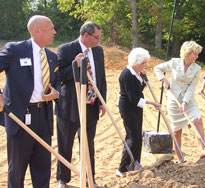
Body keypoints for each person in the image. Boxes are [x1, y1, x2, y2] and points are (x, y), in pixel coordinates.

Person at [0, 15, 59, 188]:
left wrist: (57, 93)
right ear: (37, 30)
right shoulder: (15, 50)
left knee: (42, 167)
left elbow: (57, 82)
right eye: (51, 29)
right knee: (17, 169)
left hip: (44, 117)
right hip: (19, 117)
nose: (54, 32)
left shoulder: (51, 56)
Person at [55, 21, 106, 188]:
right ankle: (63, 179)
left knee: (88, 143)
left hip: (90, 104)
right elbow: (59, 77)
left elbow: (101, 77)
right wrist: (75, 65)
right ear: (86, 35)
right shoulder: (65, 50)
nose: (99, 40)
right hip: (69, 105)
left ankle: (88, 178)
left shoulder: (98, 51)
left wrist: (101, 101)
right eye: (96, 37)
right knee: (65, 143)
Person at [154, 41, 205, 162]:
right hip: (173, 100)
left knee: (198, 120)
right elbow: (157, 68)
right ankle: (180, 159)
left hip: (188, 101)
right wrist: (163, 79)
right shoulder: (175, 62)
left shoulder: (197, 69)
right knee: (177, 131)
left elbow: (191, 87)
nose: (197, 57)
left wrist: (184, 102)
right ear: (187, 53)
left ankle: (202, 150)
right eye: (195, 54)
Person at [116, 47, 161, 177]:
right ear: (136, 62)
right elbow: (133, 98)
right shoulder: (127, 75)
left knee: (137, 137)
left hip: (135, 108)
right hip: (128, 107)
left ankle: (135, 164)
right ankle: (122, 169)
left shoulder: (136, 74)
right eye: (144, 63)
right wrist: (151, 103)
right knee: (132, 138)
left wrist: (144, 78)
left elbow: (139, 89)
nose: (145, 65)